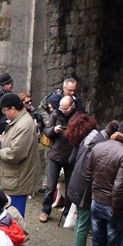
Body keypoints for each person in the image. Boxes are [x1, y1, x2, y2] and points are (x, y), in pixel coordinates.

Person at [64, 112, 102, 246]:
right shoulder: (93, 141)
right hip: (84, 189)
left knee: (81, 221)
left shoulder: (84, 141)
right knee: (83, 223)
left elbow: (72, 161)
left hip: (76, 187)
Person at [0, 92, 39, 217]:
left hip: (16, 181)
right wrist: (2, 140)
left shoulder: (24, 125)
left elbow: (15, 154)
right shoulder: (19, 121)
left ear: (13, 108)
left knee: (14, 219)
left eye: (5, 110)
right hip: (12, 178)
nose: (4, 113)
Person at [39, 95, 78, 223]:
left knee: (70, 187)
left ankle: (67, 213)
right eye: (61, 108)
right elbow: (46, 132)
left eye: (66, 109)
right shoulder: (55, 114)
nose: (63, 110)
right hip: (55, 155)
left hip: (70, 156)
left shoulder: (78, 116)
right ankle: (45, 210)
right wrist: (54, 130)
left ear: (72, 106)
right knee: (50, 186)